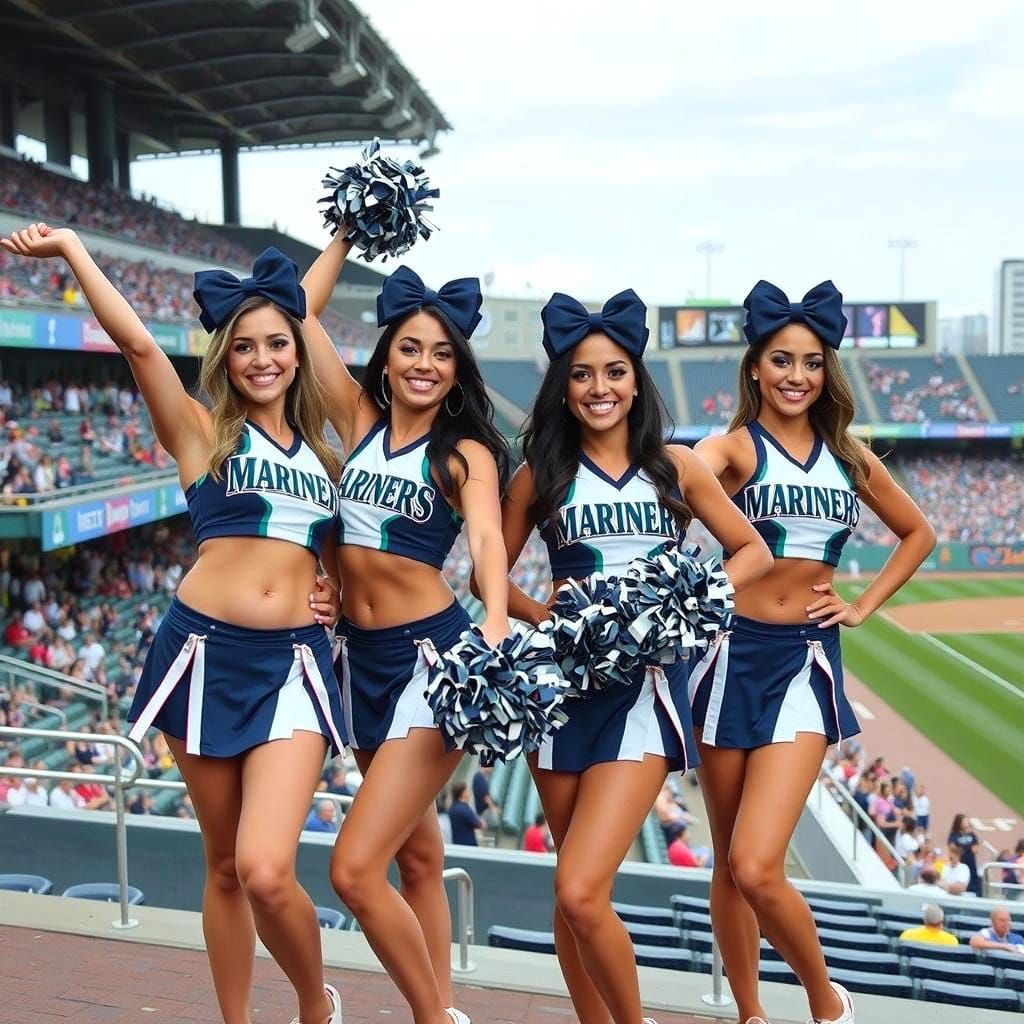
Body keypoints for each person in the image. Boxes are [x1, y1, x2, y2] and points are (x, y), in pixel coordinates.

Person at [1, 223, 344, 1024]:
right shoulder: (199, 432)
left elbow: (341, 568)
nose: (261, 359)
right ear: (224, 358)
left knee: (265, 869)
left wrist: (331, 592)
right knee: (223, 866)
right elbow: (137, 345)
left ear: (299, 353)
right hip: (200, 656)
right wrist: (74, 248)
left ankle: (314, 1003)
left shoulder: (328, 461)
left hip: (294, 667)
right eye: (243, 347)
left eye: (277, 344)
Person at [497, 288, 771, 1024]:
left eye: (615, 372)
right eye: (582, 374)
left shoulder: (676, 466)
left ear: (636, 381)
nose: (600, 388)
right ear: (563, 388)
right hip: (560, 690)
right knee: (571, 894)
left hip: (644, 690)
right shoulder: (539, 473)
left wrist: (691, 601)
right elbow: (489, 575)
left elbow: (752, 551)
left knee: (582, 889)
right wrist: (543, 616)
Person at [689, 280, 935, 1024]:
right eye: (781, 360)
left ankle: (828, 1003)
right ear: (755, 368)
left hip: (803, 660)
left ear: (828, 372)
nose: (797, 375)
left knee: (757, 864)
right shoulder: (734, 448)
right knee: (728, 864)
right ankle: (750, 1012)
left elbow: (917, 533)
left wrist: (861, 606)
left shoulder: (849, 457)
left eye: (812, 362)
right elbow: (689, 470)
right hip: (728, 658)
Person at [301, 234, 512, 1024]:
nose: (425, 363)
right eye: (410, 348)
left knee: (355, 870)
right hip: (360, 662)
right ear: (385, 358)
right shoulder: (356, 417)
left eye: (442, 353)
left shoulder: (466, 453)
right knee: (418, 857)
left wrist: (495, 621)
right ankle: (443, 1007)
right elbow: (300, 311)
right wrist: (348, 232)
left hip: (435, 662)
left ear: (457, 371)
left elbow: (487, 538)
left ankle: (434, 1017)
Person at [948, 812, 981, 896]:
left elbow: (976, 849)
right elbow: (952, 847)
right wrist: (964, 848)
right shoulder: (954, 834)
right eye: (964, 821)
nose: (967, 823)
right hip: (959, 862)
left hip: (971, 862)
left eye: (967, 821)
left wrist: (962, 847)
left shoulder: (971, 834)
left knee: (973, 881)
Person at [448, 781, 483, 847]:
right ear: (463, 793)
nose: (470, 792)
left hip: (456, 844)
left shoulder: (452, 808)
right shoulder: (464, 809)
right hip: (468, 846)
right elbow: (479, 824)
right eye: (467, 790)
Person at [472, 763, 500, 830]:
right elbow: (485, 797)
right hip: (484, 812)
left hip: (483, 812)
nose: (492, 769)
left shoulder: (481, 777)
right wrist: (494, 809)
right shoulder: (479, 777)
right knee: (496, 823)